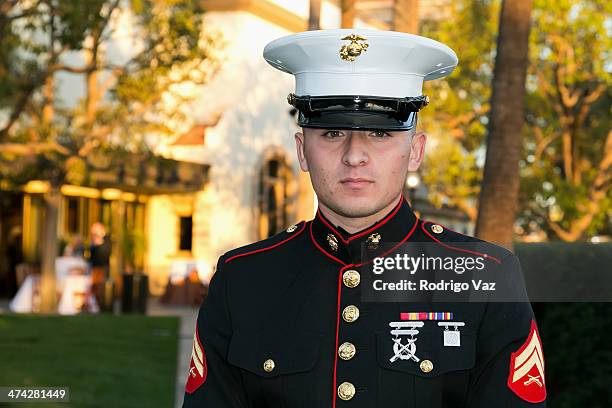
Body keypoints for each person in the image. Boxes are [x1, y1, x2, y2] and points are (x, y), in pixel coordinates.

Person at [183, 29, 546, 407]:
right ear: (303, 151)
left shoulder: (485, 274)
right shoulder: (242, 278)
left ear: (415, 152)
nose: (354, 155)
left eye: (379, 132)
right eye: (332, 132)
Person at [89, 222, 111, 305]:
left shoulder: (106, 240)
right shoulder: (94, 241)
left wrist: (98, 243)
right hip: (95, 267)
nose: (94, 235)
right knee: (94, 287)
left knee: (99, 287)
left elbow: (104, 254)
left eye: (95, 232)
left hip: (102, 268)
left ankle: (100, 303)